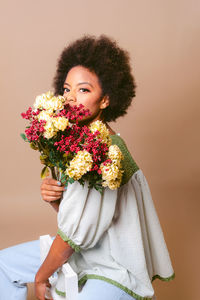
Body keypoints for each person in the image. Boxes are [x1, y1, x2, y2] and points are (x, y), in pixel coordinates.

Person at [0, 35, 175, 300]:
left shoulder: (104, 150)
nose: (70, 98)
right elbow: (85, 217)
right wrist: (55, 199)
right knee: (3, 265)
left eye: (83, 90)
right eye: (67, 88)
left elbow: (74, 235)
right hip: (86, 253)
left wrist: (41, 276)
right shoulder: (80, 139)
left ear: (105, 99)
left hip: (114, 269)